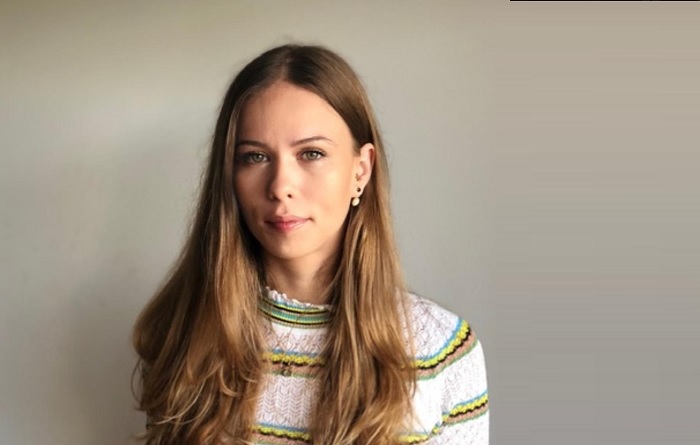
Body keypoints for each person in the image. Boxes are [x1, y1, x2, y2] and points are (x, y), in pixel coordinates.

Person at [132, 44, 488, 445]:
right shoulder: (182, 337)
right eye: (254, 157)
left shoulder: (442, 350)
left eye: (311, 153)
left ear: (361, 170)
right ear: (229, 173)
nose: (281, 185)